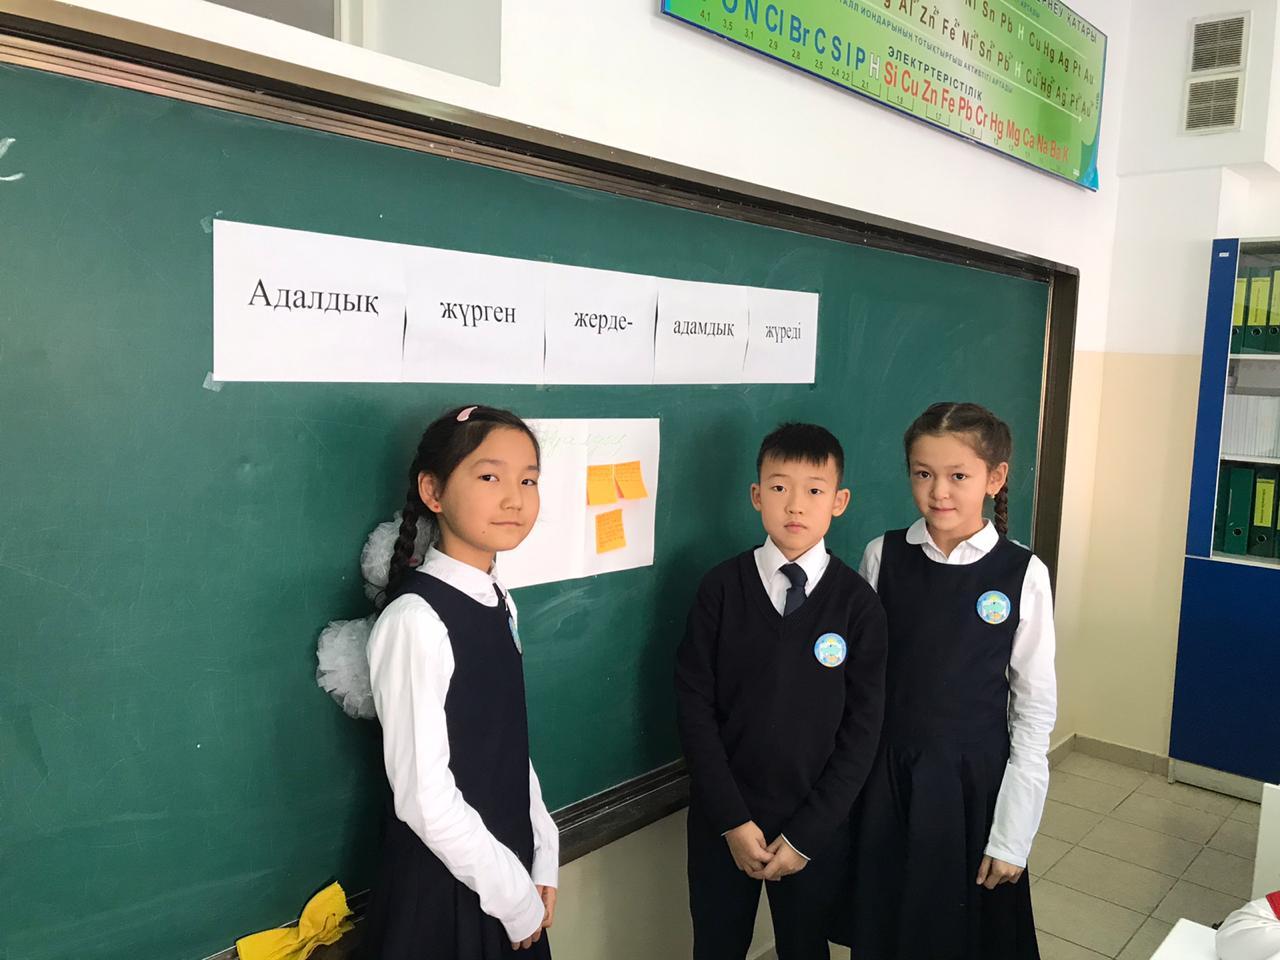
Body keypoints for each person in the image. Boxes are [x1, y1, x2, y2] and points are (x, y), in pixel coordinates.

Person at [840, 401, 1056, 960]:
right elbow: (858, 682)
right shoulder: (882, 555)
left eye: (958, 476)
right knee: (887, 929)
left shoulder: (1022, 573)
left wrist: (1013, 835)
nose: (939, 492)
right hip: (888, 777)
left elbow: (1033, 709)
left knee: (960, 935)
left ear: (995, 478)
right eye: (923, 474)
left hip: (971, 787)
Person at [676, 422, 887, 960]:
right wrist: (731, 820)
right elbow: (694, 707)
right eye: (778, 487)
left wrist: (807, 834)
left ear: (839, 501)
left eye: (814, 490)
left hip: (815, 826)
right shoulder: (721, 589)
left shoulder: (858, 605)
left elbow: (863, 730)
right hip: (724, 819)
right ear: (756, 495)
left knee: (805, 947)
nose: (795, 504)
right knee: (717, 946)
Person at [362, 404, 557, 959]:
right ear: (433, 490)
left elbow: (506, 742)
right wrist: (511, 894)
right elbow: (424, 798)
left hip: (506, 873)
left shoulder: (498, 598)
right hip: (447, 892)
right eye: (490, 477)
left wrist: (543, 848)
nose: (515, 499)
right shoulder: (415, 620)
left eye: (528, 481)